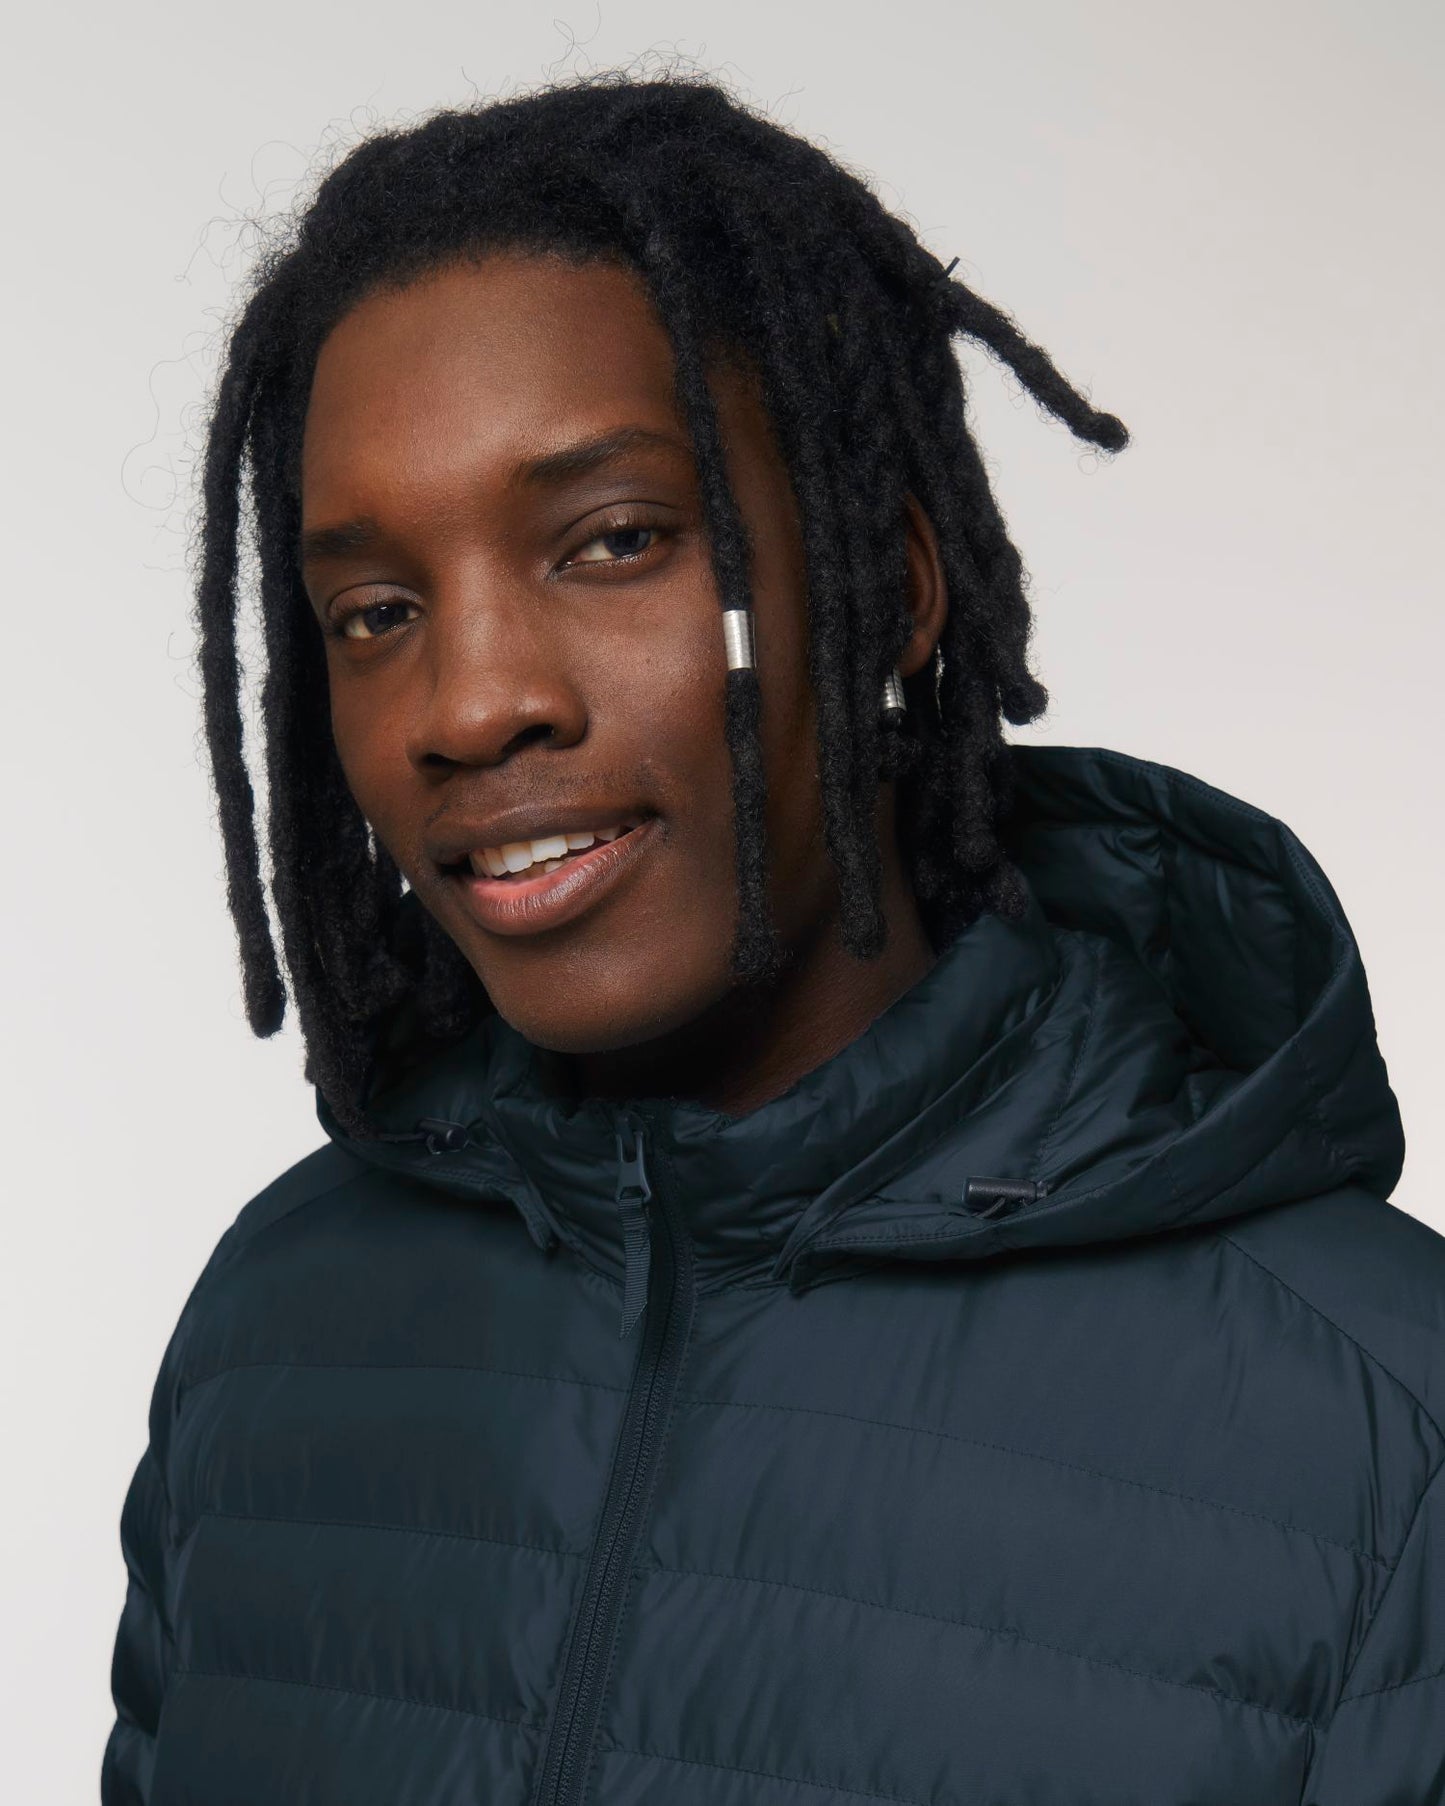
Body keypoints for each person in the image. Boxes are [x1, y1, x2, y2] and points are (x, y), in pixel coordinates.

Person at [102, 72, 1445, 1806]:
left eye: (614, 541)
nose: (470, 702)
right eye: (374, 610)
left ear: (891, 587)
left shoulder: (1386, 1430)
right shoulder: (278, 1324)